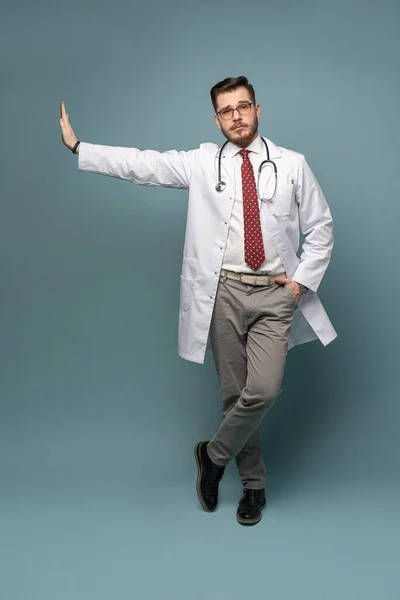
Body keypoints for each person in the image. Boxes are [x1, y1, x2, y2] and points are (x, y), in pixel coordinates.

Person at [59, 76, 336, 526]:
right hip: (222, 291)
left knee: (262, 389)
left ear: (258, 109)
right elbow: (142, 165)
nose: (236, 116)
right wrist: (80, 148)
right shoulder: (203, 162)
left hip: (274, 292)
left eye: (243, 106)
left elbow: (321, 228)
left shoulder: (292, 164)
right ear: (216, 118)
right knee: (234, 394)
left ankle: (212, 454)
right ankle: (254, 487)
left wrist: (300, 284)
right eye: (227, 110)